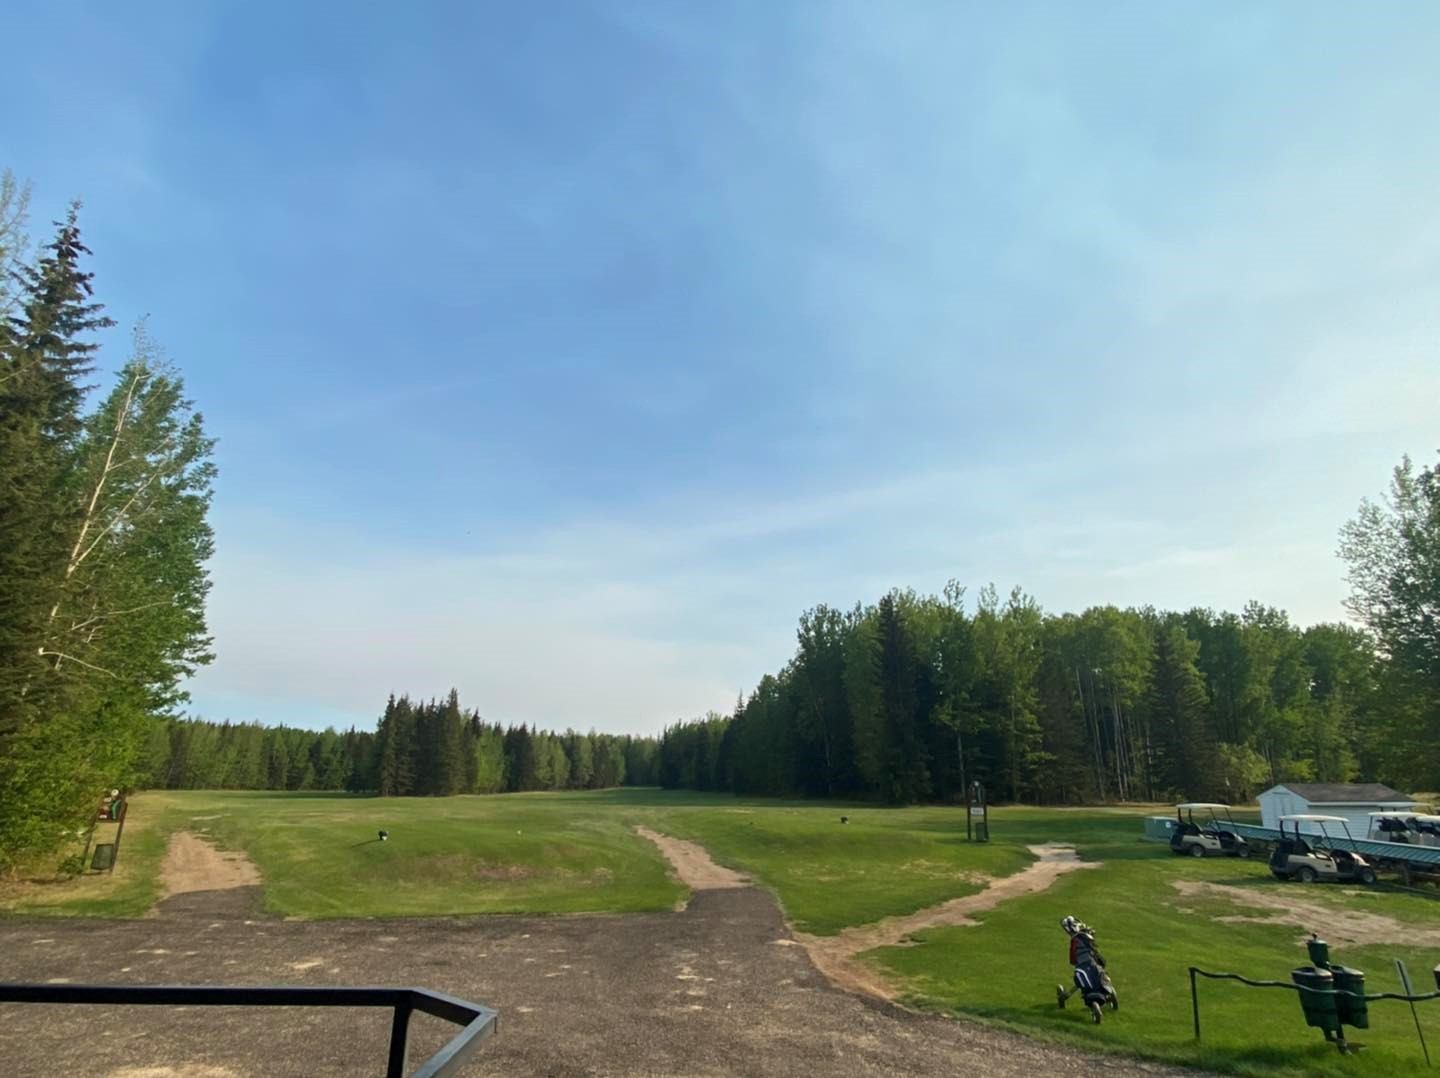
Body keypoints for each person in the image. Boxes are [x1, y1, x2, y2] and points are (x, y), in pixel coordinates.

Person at [1056, 915, 1105, 1006]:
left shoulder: (1077, 938)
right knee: (1094, 975)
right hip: (1090, 960)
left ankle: (1065, 996)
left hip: (1082, 963)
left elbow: (1073, 958)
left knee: (1082, 979)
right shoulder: (1085, 935)